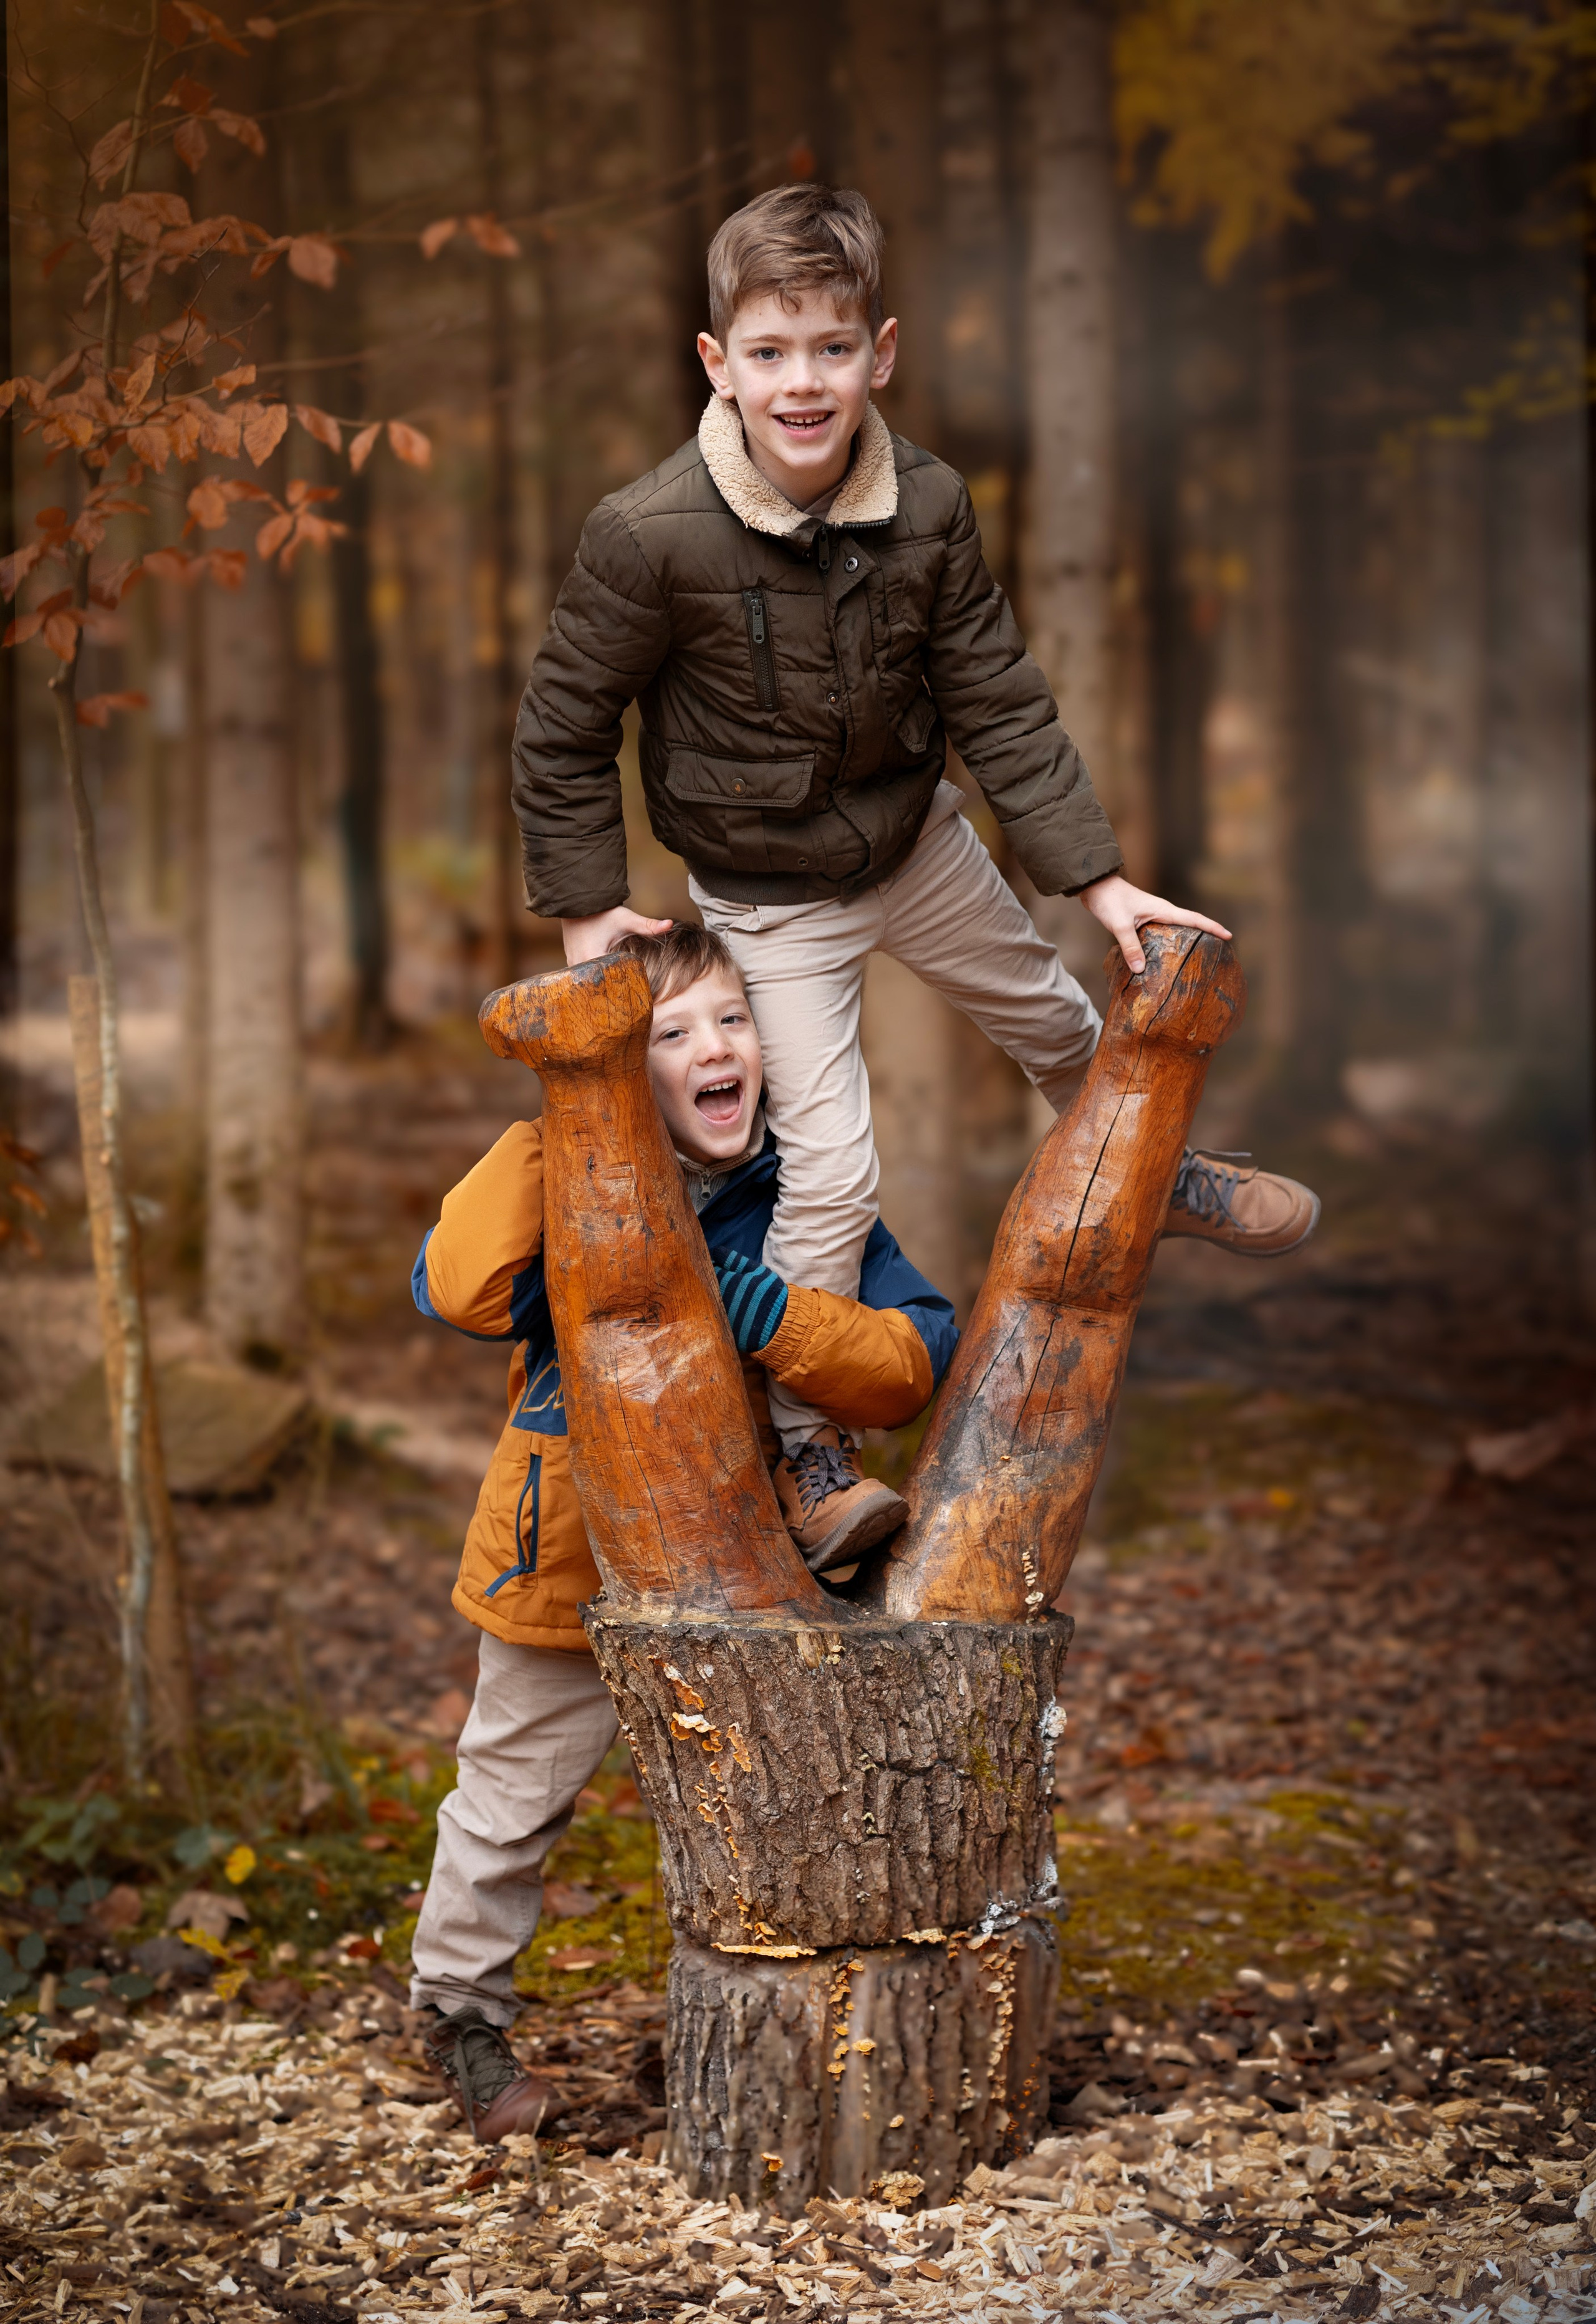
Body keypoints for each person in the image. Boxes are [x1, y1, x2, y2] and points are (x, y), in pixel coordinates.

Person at [509, 180, 1320, 1555]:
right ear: (717, 364)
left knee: (1057, 1020)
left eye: (829, 348)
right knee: (827, 1163)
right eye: (767, 353)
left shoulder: (930, 503)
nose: (801, 382)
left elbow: (996, 695)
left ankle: (1157, 1169)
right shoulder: (646, 534)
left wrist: (1098, 883)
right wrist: (590, 911)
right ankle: (803, 1441)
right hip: (764, 896)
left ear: (878, 351)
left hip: (914, 836)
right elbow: (560, 724)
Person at [407, 923, 957, 2140]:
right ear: (623, 1068)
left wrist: (788, 1319)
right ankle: (458, 2013)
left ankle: (753, 2016)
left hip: (743, 1567)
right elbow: (454, 1287)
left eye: (732, 1019)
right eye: (671, 1034)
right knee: (509, 1791)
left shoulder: (808, 1198)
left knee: (751, 1796)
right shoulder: (569, 1178)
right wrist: (555, 1124)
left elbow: (916, 1349)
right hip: (567, 1555)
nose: (715, 1048)